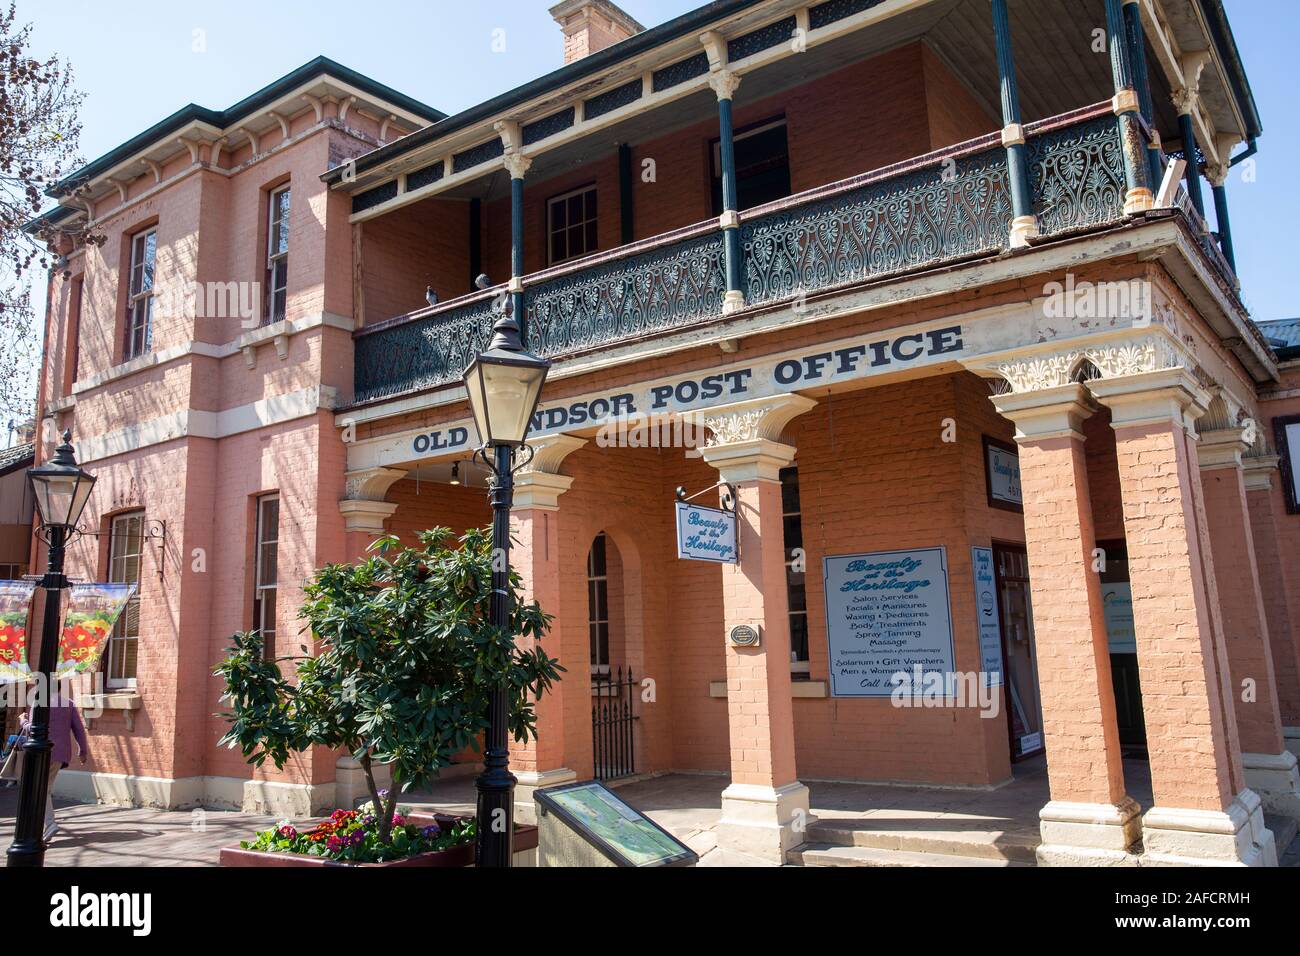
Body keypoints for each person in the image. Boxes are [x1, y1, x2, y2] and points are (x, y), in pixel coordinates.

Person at [16, 692, 89, 841]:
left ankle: (49, 824)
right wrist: (82, 750)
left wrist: (23, 721)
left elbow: (34, 730)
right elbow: (79, 728)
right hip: (60, 752)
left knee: (40, 790)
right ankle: (41, 825)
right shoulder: (68, 703)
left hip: (40, 752)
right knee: (44, 788)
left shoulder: (38, 703)